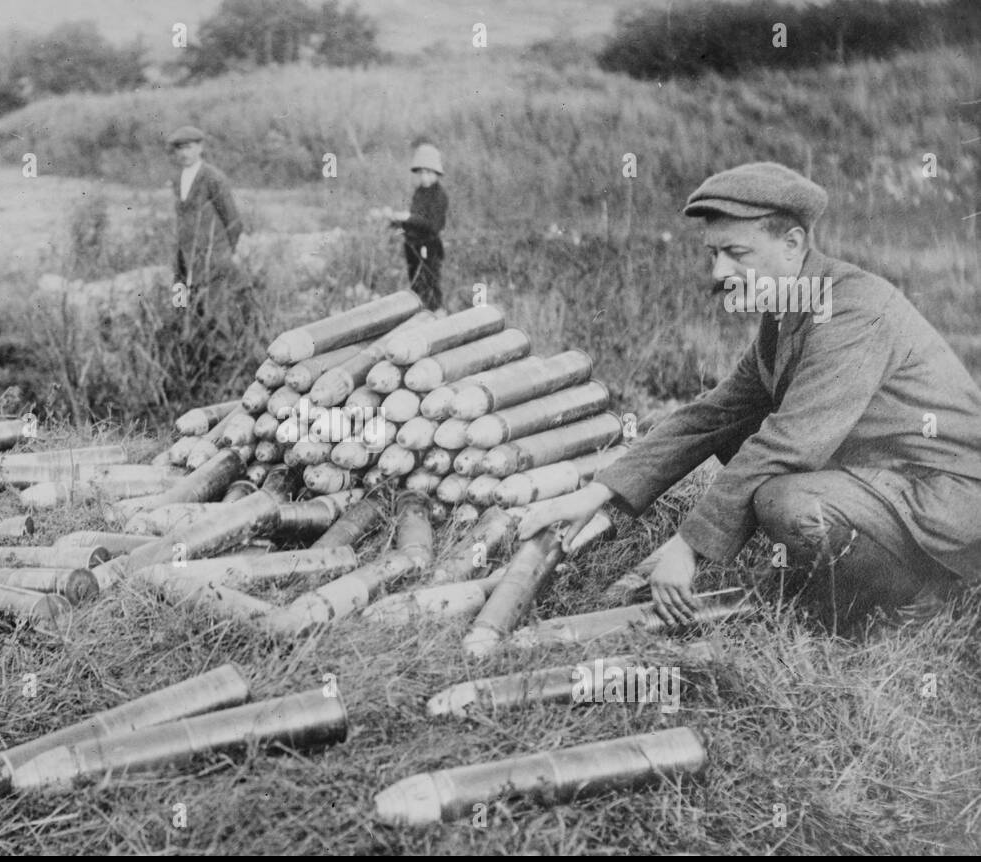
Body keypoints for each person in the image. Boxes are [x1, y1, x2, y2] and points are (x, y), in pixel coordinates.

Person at [521, 162, 981, 632]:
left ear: (792, 244)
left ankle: (923, 599)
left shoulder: (854, 312)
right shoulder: (788, 311)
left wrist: (687, 546)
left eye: (736, 253)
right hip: (891, 488)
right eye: (713, 254)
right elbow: (713, 415)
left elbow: (790, 443)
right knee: (736, 438)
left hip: (947, 501)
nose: (720, 272)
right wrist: (596, 495)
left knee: (787, 502)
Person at [167, 124, 244, 308]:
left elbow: (233, 220)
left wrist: (225, 252)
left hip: (212, 257)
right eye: (179, 148)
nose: (184, 153)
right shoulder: (178, 179)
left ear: (200, 148)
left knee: (215, 312)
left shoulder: (213, 177)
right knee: (183, 308)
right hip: (185, 258)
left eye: (189, 147)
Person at [386, 143, 447, 311]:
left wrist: (409, 218)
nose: (425, 177)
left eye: (429, 173)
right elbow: (414, 220)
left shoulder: (439, 196)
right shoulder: (419, 193)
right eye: (421, 173)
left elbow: (433, 225)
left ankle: (435, 317)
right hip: (413, 246)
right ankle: (420, 315)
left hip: (429, 247)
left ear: (436, 173)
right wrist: (397, 222)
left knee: (430, 284)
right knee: (416, 285)